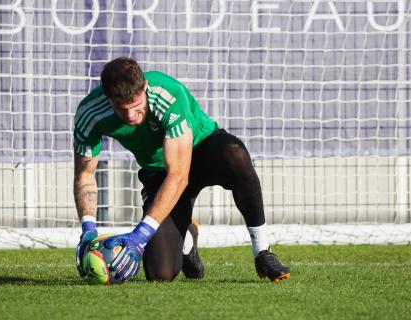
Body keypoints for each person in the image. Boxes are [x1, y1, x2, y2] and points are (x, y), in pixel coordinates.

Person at [73, 57, 290, 283]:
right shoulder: (89, 114)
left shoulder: (167, 94)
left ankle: (263, 252)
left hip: (202, 150)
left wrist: (140, 235)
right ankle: (187, 238)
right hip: (159, 173)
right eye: (121, 109)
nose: (130, 117)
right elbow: (85, 175)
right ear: (108, 98)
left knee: (236, 155)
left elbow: (179, 174)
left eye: (137, 108)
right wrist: (88, 230)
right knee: (161, 274)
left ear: (144, 88)